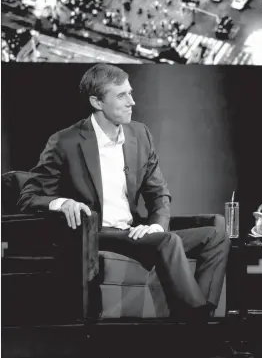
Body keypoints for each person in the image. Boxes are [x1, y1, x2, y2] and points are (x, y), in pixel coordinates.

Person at [18, 63, 230, 324]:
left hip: (134, 232)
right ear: (96, 101)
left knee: (216, 232)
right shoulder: (65, 141)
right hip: (97, 233)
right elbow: (28, 197)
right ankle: (195, 324)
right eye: (121, 95)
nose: (132, 101)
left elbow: (159, 194)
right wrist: (62, 203)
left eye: (130, 93)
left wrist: (155, 226)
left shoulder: (140, 134)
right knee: (168, 242)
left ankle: (201, 318)